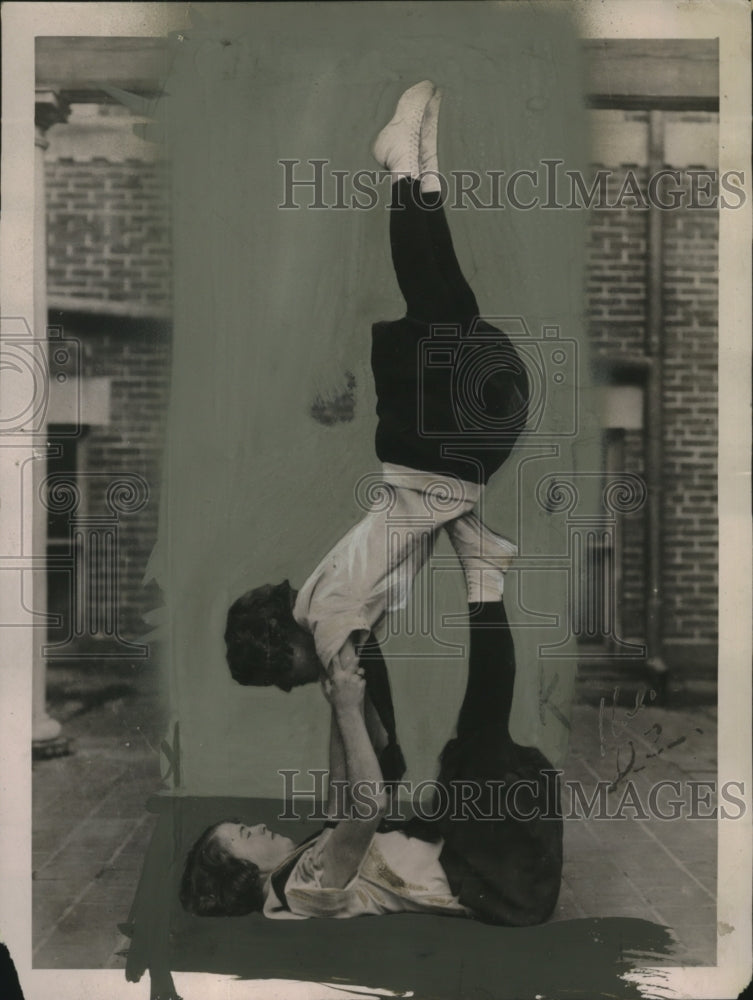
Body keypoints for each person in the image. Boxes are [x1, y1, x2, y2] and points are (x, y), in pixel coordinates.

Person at [225, 80, 529, 699]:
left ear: (283, 649)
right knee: (450, 311)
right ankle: (419, 171)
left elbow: (361, 684)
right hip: (436, 464)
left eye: (283, 680)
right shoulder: (325, 603)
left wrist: (370, 733)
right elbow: (370, 667)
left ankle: (405, 168)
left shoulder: (326, 617)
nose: (293, 690)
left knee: (441, 309)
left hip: (433, 459)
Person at [180, 587, 563, 926]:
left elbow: (339, 807)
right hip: (503, 881)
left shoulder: (294, 873)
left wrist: (340, 695)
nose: (259, 826)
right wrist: (347, 708)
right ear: (244, 871)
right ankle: (484, 586)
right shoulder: (300, 890)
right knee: (481, 739)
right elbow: (368, 807)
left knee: (470, 743)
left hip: (478, 858)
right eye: (246, 834)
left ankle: (361, 628)